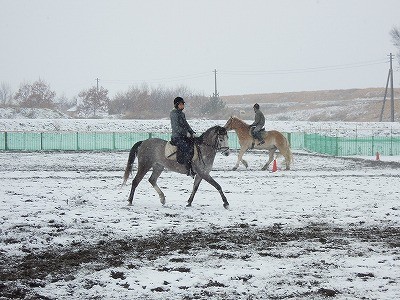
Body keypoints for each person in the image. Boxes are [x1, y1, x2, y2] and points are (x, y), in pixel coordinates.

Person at [170, 96, 196, 177]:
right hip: (177, 137)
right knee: (187, 148)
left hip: (183, 136)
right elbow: (176, 127)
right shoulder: (173, 114)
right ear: (176, 105)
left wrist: (192, 132)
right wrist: (186, 133)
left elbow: (186, 124)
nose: (182, 106)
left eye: (183, 104)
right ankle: (188, 169)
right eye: (181, 104)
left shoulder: (182, 114)